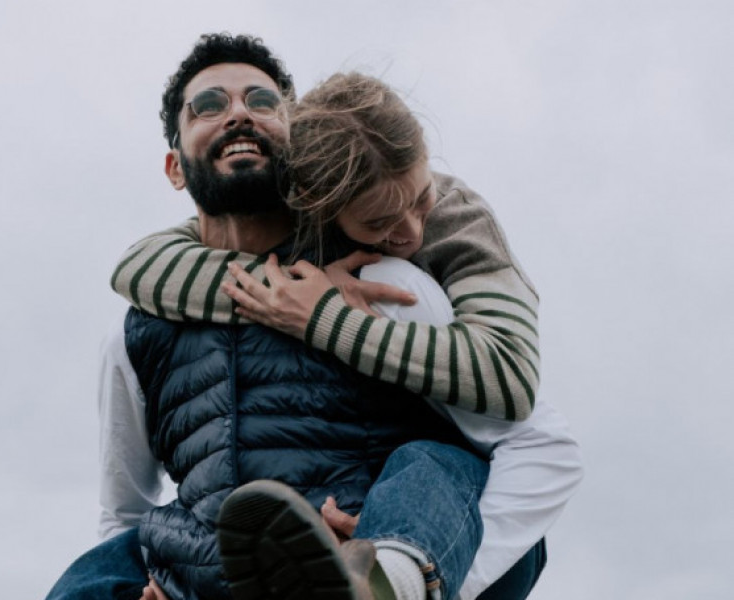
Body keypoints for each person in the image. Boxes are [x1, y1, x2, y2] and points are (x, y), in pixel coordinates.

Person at [46, 33, 516, 600]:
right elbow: (123, 511)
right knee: (90, 578)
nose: (239, 113)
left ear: (298, 152)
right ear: (175, 168)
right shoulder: (134, 333)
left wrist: (403, 560)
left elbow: (501, 447)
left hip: (356, 563)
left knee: (438, 460)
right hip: (200, 581)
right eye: (209, 105)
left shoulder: (383, 282)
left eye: (263, 101)